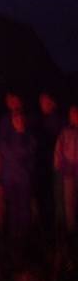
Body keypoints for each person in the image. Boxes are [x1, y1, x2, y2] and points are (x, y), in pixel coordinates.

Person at [0, 112, 36, 239]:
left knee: (24, 208)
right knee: (12, 208)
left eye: (20, 119)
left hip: (23, 179)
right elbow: (5, 153)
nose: (18, 122)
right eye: (15, 119)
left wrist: (19, 138)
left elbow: (24, 153)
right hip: (9, 178)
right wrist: (1, 179)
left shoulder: (30, 137)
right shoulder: (6, 139)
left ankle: (25, 237)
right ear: (12, 122)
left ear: (24, 120)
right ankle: (14, 237)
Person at [35, 92, 64, 231]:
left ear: (53, 103)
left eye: (45, 101)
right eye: (40, 101)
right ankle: (48, 224)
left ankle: (55, 226)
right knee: (46, 194)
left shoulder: (56, 120)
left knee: (53, 195)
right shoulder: (42, 119)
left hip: (53, 164)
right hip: (45, 164)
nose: (42, 103)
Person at [54, 105, 78, 234]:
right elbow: (58, 151)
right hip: (68, 172)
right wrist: (58, 166)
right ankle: (71, 229)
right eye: (72, 113)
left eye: (76, 113)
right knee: (69, 201)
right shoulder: (65, 132)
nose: (74, 116)